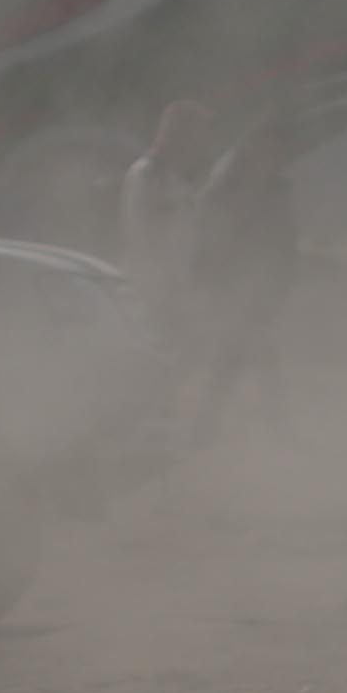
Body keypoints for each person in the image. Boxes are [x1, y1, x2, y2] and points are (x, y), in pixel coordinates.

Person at [188, 111, 299, 439]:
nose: (280, 159)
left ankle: (205, 424)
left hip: (257, 285)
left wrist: (284, 279)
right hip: (230, 284)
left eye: (283, 153)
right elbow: (209, 239)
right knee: (239, 354)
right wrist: (211, 283)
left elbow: (285, 238)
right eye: (276, 150)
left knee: (236, 356)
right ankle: (270, 424)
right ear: (259, 146)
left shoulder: (277, 186)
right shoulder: (225, 185)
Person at [117, 101, 214, 341]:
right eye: (197, 135)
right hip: (151, 294)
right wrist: (163, 291)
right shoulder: (146, 175)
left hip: (181, 293)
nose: (202, 144)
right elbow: (139, 233)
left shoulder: (187, 180)